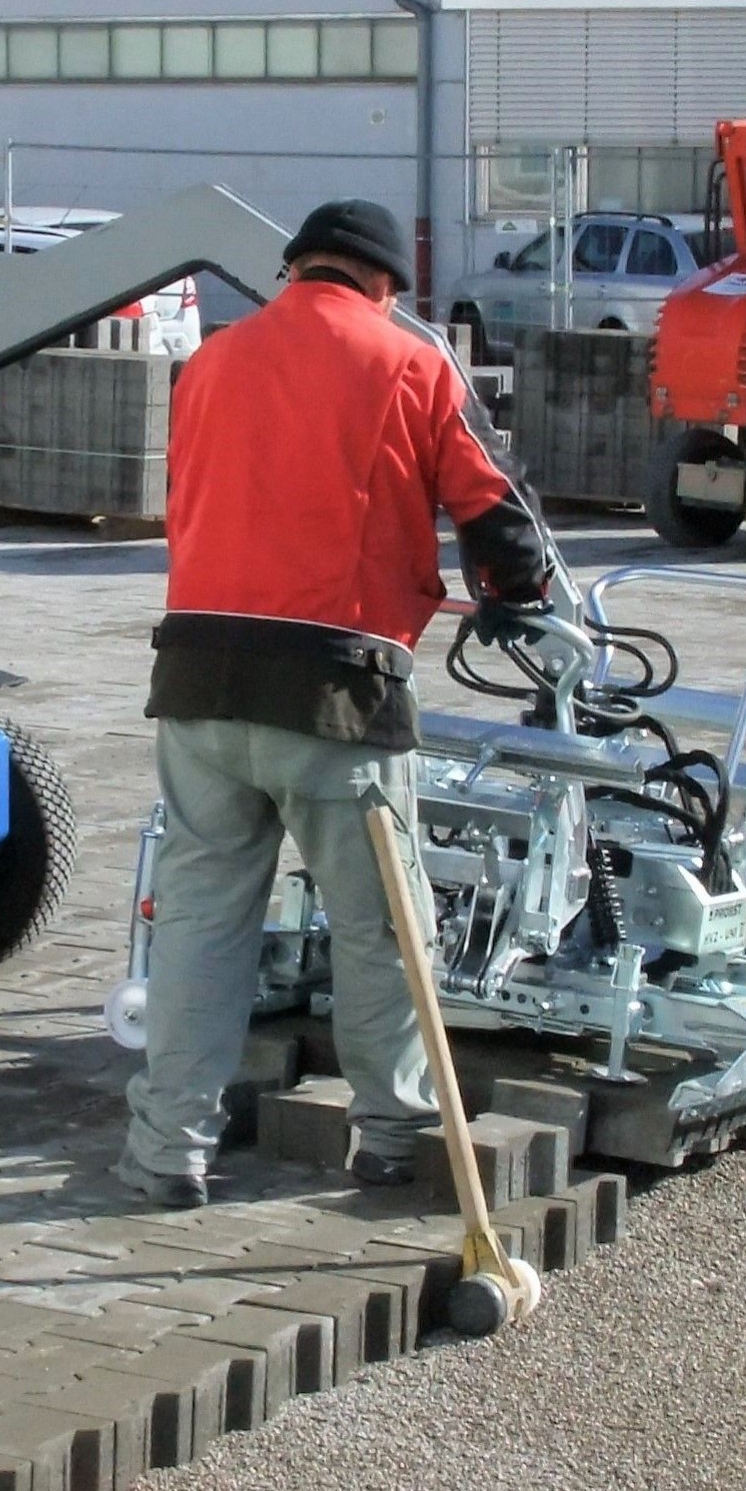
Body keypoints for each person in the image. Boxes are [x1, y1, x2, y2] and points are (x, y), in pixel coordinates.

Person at [118, 200, 553, 1210]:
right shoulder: (407, 357)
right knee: (380, 926)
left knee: (196, 925)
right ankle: (388, 1137)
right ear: (383, 283)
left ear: (296, 268)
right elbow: (492, 513)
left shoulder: (214, 360)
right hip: (335, 695)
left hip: (194, 681)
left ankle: (165, 1153)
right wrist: (517, 594)